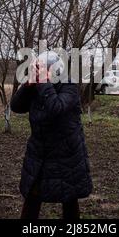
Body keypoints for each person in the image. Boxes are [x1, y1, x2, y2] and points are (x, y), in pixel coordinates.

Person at [11, 51, 92, 220]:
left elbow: (55, 108)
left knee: (69, 196)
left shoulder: (69, 86)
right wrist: (28, 85)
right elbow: (16, 106)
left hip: (66, 153)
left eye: (43, 69)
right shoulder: (36, 86)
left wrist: (43, 83)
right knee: (32, 196)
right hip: (40, 151)